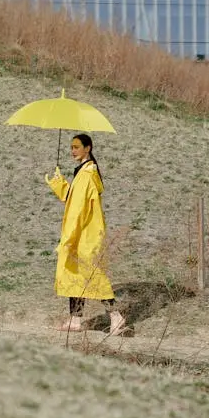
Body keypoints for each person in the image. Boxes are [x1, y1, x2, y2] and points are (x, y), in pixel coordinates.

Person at [44, 133, 126, 335]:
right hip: (82, 233)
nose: (73, 150)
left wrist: (69, 237)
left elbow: (78, 210)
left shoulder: (87, 175)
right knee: (75, 274)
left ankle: (116, 316)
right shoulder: (83, 172)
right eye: (71, 147)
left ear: (88, 148)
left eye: (77, 147)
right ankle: (75, 320)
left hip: (85, 234)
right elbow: (74, 199)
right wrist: (61, 185)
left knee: (92, 274)